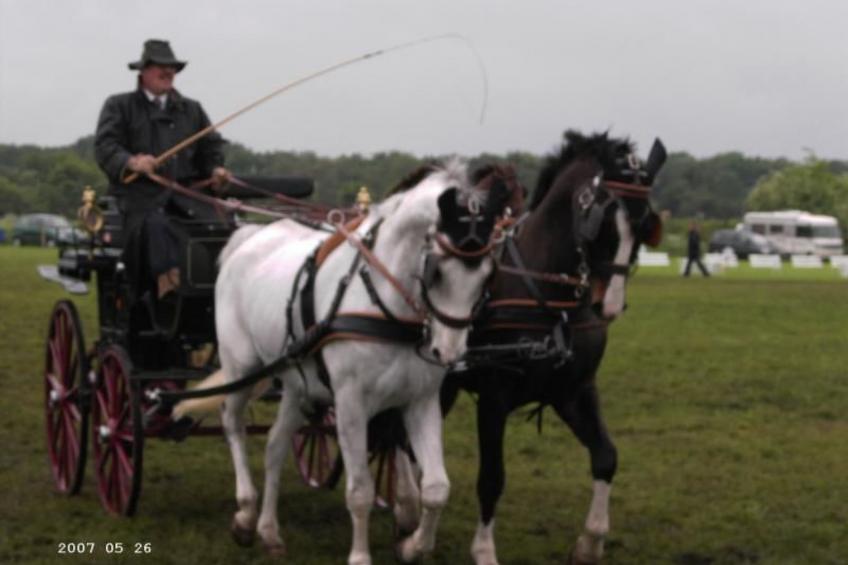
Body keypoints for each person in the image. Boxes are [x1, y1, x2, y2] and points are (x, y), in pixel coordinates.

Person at [94, 39, 231, 300]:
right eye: (161, 67)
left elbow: (210, 150)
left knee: (221, 225)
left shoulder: (192, 110)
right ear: (143, 72)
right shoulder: (119, 106)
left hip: (187, 197)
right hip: (139, 200)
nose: (168, 72)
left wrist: (216, 171)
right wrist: (132, 162)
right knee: (157, 224)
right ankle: (167, 289)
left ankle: (222, 288)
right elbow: (105, 147)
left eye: (172, 68)